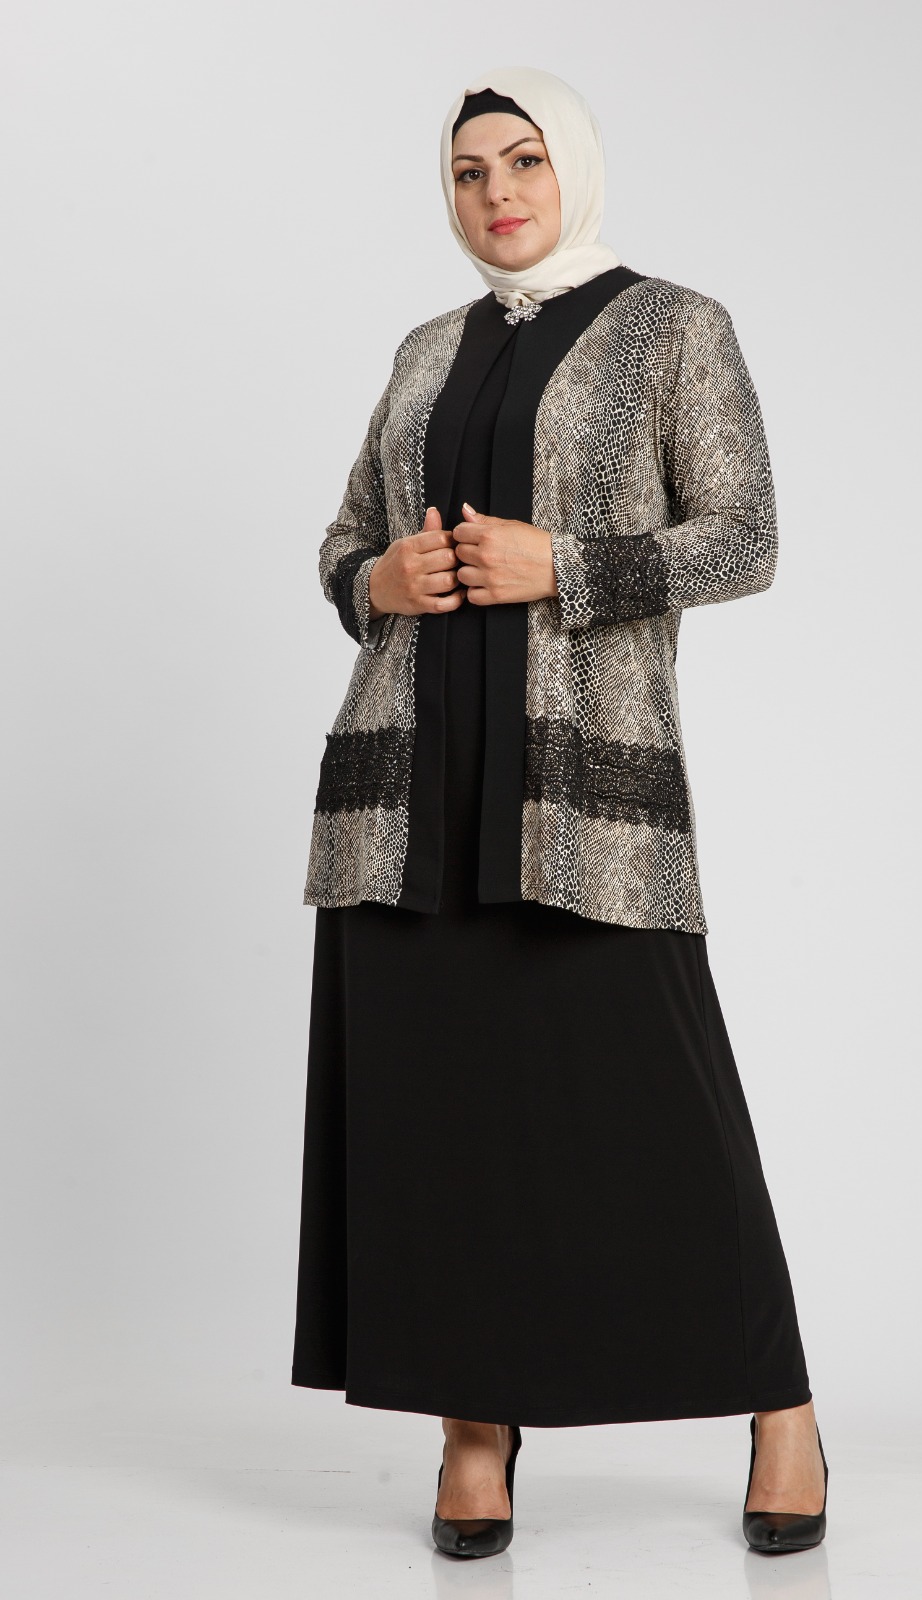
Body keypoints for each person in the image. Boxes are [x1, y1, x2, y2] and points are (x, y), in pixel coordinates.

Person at [291, 64, 829, 1561]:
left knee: (659, 1102)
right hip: (407, 789)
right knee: (440, 1116)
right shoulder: (425, 349)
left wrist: (569, 568)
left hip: (585, 788)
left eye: (522, 160)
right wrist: (375, 581)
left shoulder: (673, 326)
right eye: (468, 172)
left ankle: (781, 1408)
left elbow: (745, 538)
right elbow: (345, 540)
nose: (497, 193)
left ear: (571, 166)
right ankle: (474, 1427)